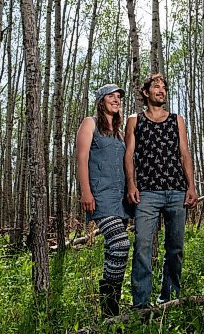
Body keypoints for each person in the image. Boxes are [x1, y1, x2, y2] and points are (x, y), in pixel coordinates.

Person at [124, 73, 198, 309]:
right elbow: (129, 156)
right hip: (147, 193)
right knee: (142, 247)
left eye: (164, 87)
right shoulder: (135, 120)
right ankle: (141, 305)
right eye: (156, 87)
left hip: (176, 191)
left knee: (175, 249)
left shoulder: (177, 119)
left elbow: (185, 154)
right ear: (146, 93)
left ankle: (170, 298)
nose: (161, 90)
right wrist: (131, 184)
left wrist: (191, 186)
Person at [76, 83, 131, 317]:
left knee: (114, 250)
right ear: (101, 100)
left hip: (121, 198)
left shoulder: (119, 132)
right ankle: (109, 307)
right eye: (111, 96)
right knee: (120, 243)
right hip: (100, 196)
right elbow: (81, 157)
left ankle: (110, 311)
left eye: (119, 96)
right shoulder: (90, 123)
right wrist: (86, 191)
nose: (116, 99)